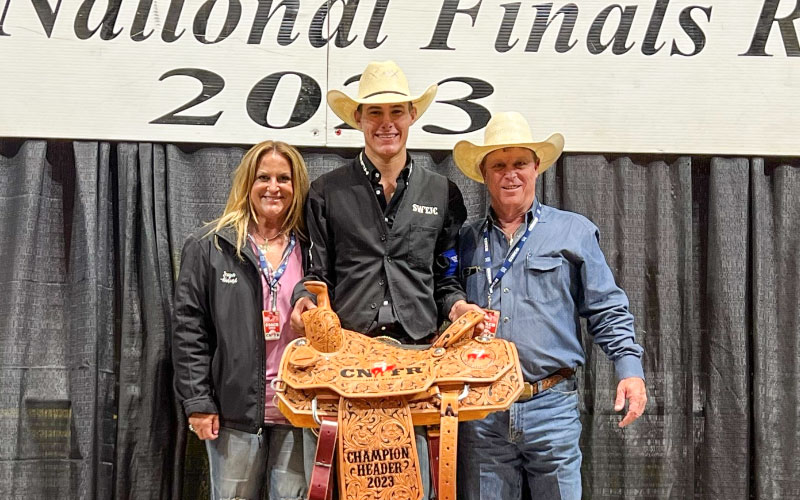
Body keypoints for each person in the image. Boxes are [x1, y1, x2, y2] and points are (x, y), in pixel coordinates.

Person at [289, 60, 483, 498]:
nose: (386, 123)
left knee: (415, 476)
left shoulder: (442, 193)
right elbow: (317, 271)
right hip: (348, 355)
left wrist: (457, 306)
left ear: (412, 115)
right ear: (357, 119)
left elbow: (444, 277)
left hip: (417, 352)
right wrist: (307, 299)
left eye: (396, 111)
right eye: (374, 113)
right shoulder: (326, 191)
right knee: (343, 479)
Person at [453, 112, 648, 500]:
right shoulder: (464, 239)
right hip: (481, 408)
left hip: (551, 406)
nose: (511, 174)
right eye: (499, 165)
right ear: (484, 173)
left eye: (520, 163)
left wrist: (630, 369)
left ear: (536, 167)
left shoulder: (573, 231)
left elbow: (606, 308)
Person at [172, 140, 310, 500]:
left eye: (284, 178)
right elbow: (189, 329)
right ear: (247, 183)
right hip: (233, 414)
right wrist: (198, 402)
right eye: (263, 177)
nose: (273, 187)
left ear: (298, 187)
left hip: (298, 413)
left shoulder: (314, 249)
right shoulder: (209, 246)